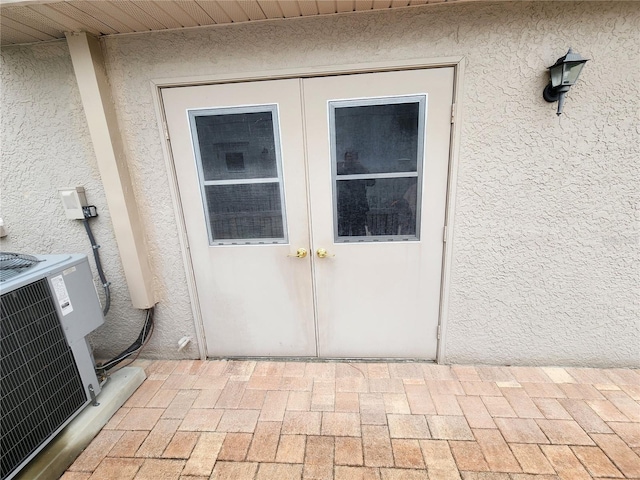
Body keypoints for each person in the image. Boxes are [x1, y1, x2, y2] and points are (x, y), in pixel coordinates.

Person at [336, 150, 374, 236]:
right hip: (345, 205)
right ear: (345, 159)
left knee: (359, 231)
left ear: (356, 159)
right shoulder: (341, 170)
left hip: (359, 206)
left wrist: (362, 169)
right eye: (348, 157)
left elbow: (371, 182)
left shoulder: (361, 169)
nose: (350, 160)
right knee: (343, 232)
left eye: (352, 158)